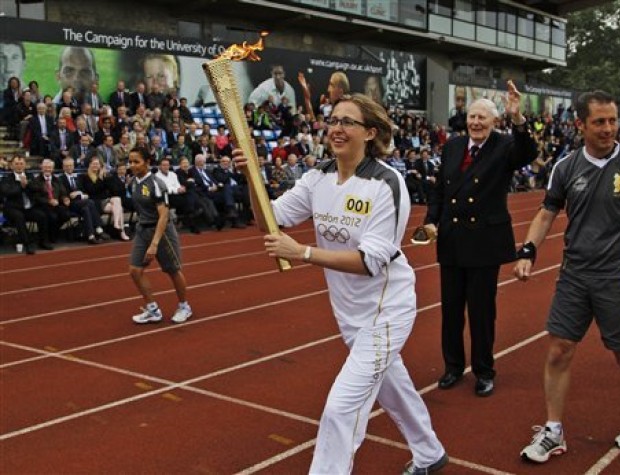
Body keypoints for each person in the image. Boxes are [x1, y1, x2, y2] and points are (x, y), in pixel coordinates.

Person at [233, 93, 447, 474]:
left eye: (348, 121)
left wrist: (304, 253)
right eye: (333, 120)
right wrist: (251, 175)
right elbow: (268, 220)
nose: (337, 128)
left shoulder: (385, 184)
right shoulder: (318, 177)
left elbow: (369, 262)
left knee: (342, 407)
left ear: (370, 132)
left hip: (386, 311)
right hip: (349, 313)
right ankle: (430, 455)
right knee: (392, 387)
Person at [514, 90, 620, 463]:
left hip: (617, 278)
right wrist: (528, 250)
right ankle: (553, 431)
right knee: (558, 349)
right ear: (580, 125)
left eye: (612, 121)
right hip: (574, 275)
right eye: (600, 122)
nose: (608, 129)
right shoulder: (566, 167)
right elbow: (546, 212)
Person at [419, 80, 537, 397]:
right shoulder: (454, 146)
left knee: (482, 313)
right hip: (453, 242)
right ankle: (453, 366)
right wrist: (431, 221)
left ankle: (484, 370)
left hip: (484, 242)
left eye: (482, 118)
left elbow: (528, 152)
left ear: (494, 121)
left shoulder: (504, 145)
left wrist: (518, 118)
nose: (476, 123)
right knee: (451, 310)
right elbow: (440, 190)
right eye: (472, 117)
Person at [127, 146, 193, 324]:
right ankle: (152, 309)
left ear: (147, 162)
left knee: (172, 270)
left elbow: (164, 215)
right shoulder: (133, 182)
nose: (132, 165)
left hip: (162, 232)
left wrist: (155, 244)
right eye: (130, 161)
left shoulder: (156, 183)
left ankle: (184, 306)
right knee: (135, 270)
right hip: (143, 229)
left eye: (136, 162)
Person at [0, 155, 53, 254]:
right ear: (12, 166)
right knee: (19, 217)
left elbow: (38, 188)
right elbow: (7, 192)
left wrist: (27, 184)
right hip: (13, 208)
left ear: (25, 165)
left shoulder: (30, 176)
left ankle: (43, 241)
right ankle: (28, 243)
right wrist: (21, 186)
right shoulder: (7, 178)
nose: (19, 166)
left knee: (42, 215)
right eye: (16, 164)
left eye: (21, 164)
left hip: (28, 207)